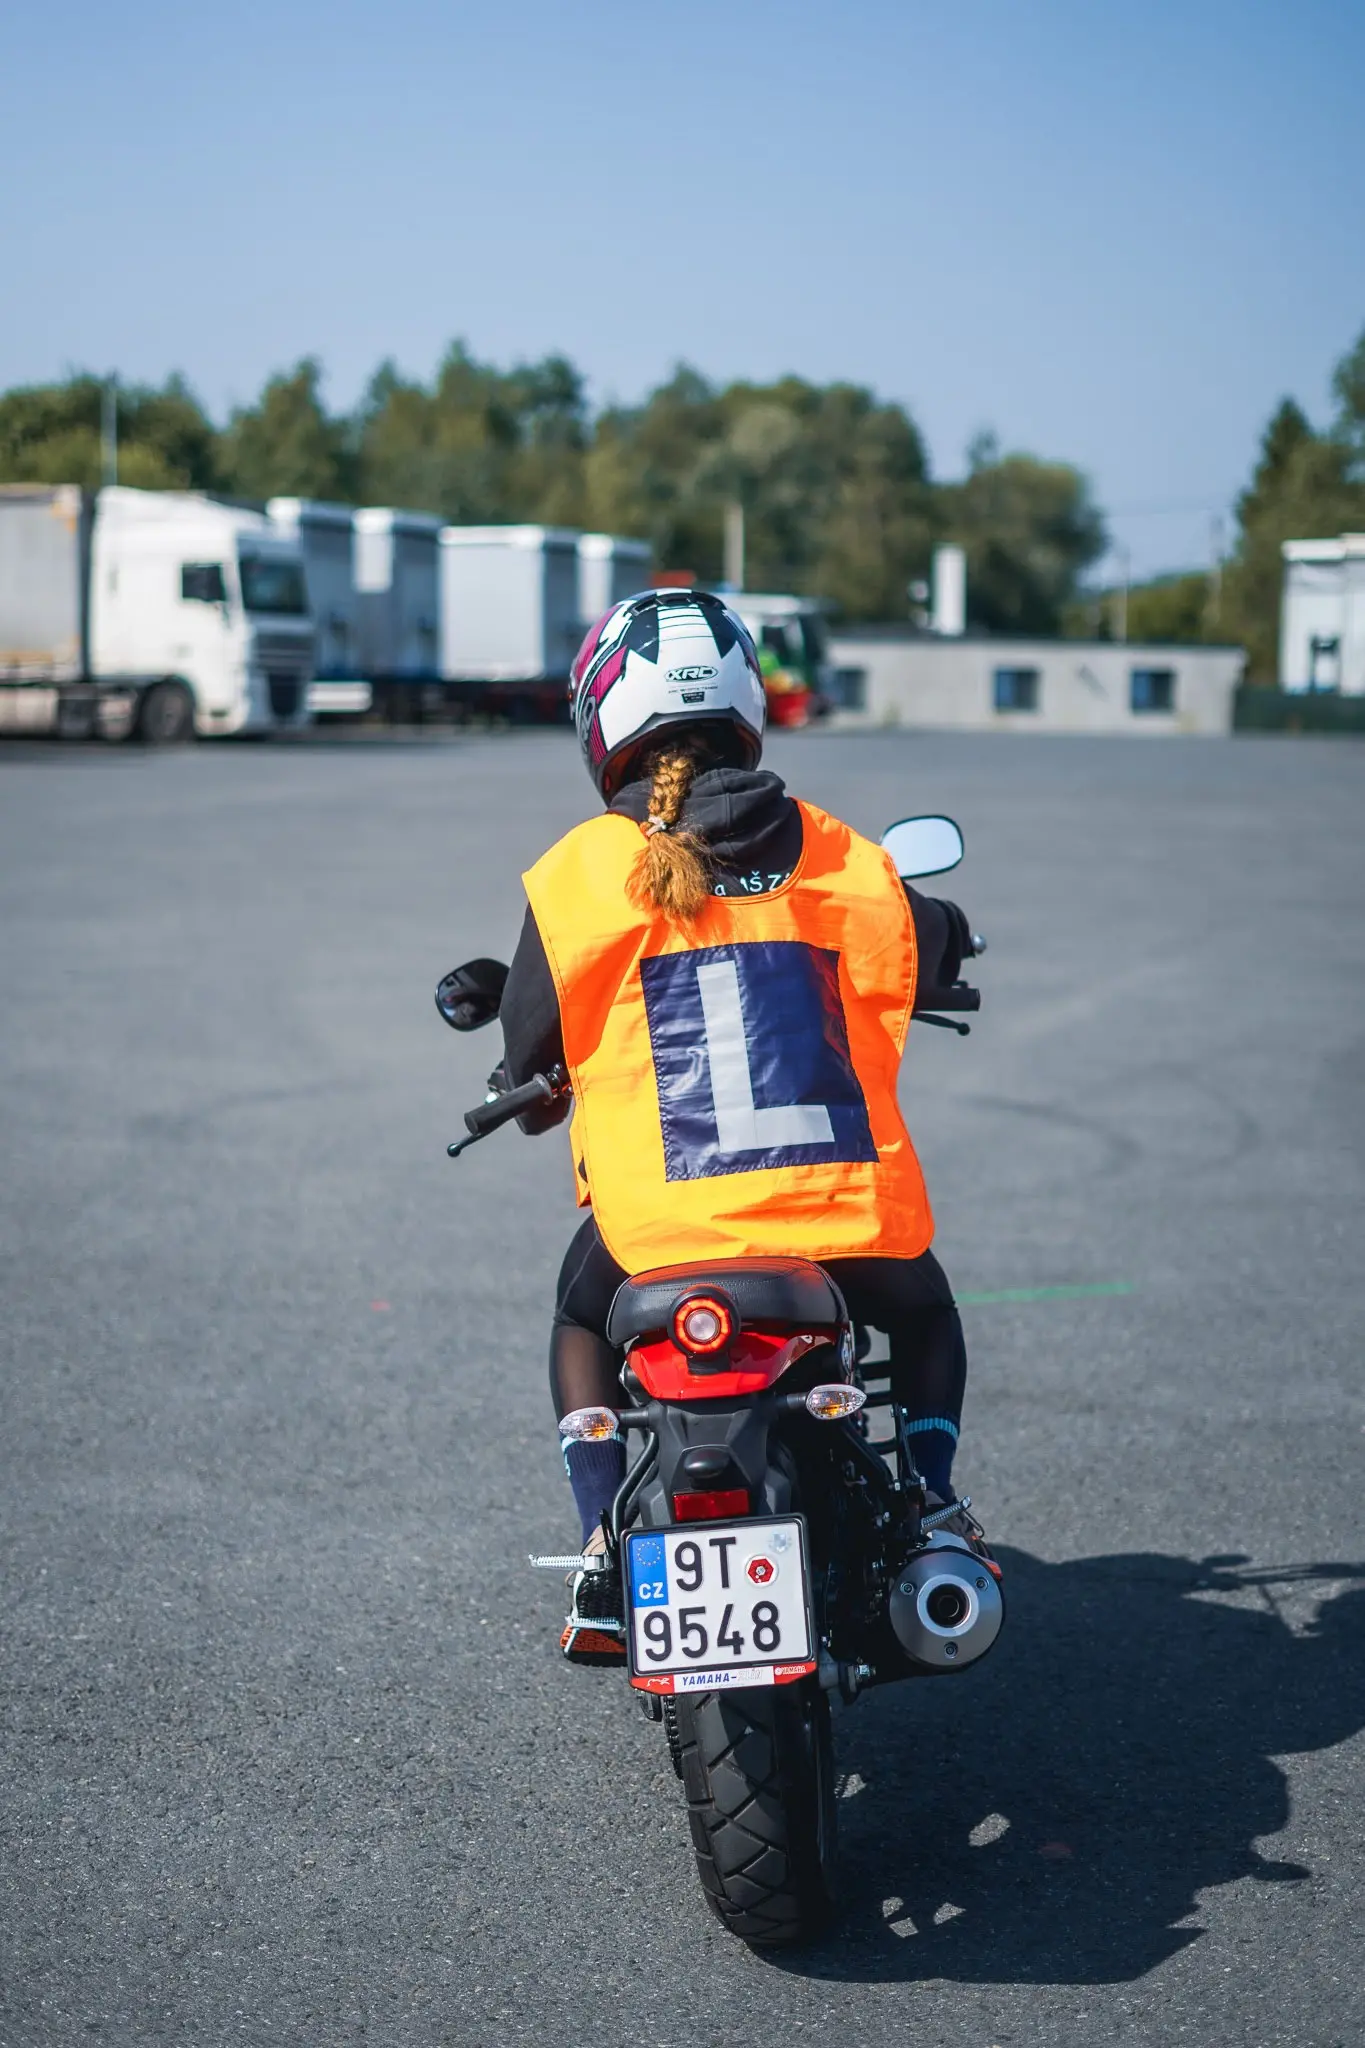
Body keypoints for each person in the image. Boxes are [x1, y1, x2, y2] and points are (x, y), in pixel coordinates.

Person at [498, 587, 992, 1662]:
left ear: (605, 721)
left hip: (661, 1238)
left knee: (581, 1319)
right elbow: (937, 936)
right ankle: (933, 1502)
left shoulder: (584, 874)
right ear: (742, 701)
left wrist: (518, 1072)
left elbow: (528, 1036)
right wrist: (949, 940)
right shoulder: (848, 858)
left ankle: (596, 1538)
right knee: (929, 1313)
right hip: (840, 1226)